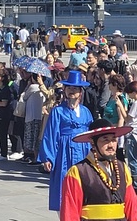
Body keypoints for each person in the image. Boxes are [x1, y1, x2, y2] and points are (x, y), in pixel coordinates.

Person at [61, 118, 137, 220]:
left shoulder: (122, 168)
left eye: (114, 139)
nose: (111, 145)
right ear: (93, 143)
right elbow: (70, 212)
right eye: (105, 140)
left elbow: (132, 206)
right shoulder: (78, 172)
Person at [38, 71, 93, 212]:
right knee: (64, 184)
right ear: (65, 90)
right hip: (64, 152)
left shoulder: (86, 111)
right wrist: (48, 157)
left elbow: (91, 134)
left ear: (80, 92)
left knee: (83, 183)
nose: (72, 91)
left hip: (83, 151)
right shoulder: (58, 111)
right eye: (69, 88)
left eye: (75, 89)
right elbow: (50, 134)